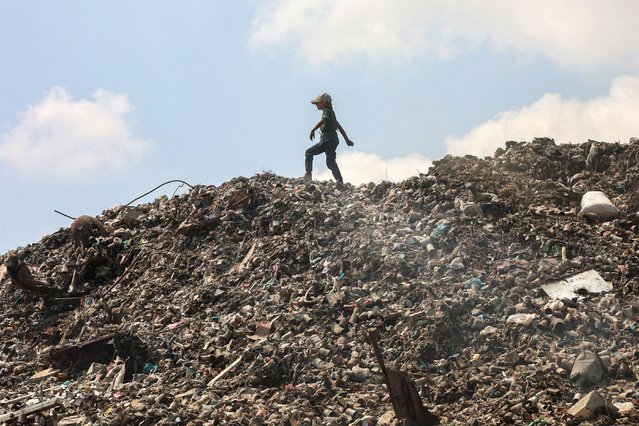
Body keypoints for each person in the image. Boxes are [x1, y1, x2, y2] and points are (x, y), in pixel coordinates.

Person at [305, 93, 354, 187]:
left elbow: (323, 120)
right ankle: (308, 175)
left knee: (330, 162)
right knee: (309, 152)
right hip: (326, 141)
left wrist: (313, 130)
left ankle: (340, 181)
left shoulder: (327, 111)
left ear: (323, 103)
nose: (316, 105)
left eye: (318, 103)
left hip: (329, 140)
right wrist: (347, 140)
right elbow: (339, 127)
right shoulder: (331, 113)